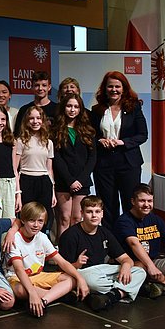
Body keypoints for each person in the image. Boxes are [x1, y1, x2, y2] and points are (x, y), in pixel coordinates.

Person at [59, 195, 146, 312]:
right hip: (83, 272)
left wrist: (125, 266)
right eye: (89, 212)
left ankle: (111, 296)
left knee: (139, 271)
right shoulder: (70, 235)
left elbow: (126, 258)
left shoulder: (105, 232)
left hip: (103, 271)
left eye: (97, 212)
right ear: (82, 213)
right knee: (94, 282)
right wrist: (77, 264)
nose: (94, 215)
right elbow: (63, 269)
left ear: (102, 214)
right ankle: (126, 290)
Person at [5, 201, 89, 318]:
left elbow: (62, 262)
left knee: (72, 279)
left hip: (38, 275)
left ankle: (44, 301)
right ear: (23, 220)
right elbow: (19, 269)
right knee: (20, 290)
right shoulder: (15, 239)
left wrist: (81, 279)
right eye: (31, 220)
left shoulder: (42, 237)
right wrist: (32, 292)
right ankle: (58, 295)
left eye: (40, 221)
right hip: (17, 278)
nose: (36, 225)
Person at [91, 71, 148, 229]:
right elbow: (90, 135)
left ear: (124, 89)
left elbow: (143, 135)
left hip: (128, 162)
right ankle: (111, 243)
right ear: (105, 88)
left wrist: (122, 142)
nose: (114, 89)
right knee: (108, 205)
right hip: (103, 164)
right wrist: (100, 140)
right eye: (110, 86)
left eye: (117, 86)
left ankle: (131, 239)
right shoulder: (97, 110)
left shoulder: (134, 107)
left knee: (130, 202)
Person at [52, 93, 96, 238]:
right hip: (63, 181)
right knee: (64, 218)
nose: (72, 109)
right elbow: (56, 158)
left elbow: (92, 158)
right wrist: (70, 180)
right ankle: (63, 253)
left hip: (81, 182)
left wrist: (80, 180)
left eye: (76, 107)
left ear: (80, 109)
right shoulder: (56, 130)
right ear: (64, 107)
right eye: (69, 106)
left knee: (77, 218)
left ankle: (75, 250)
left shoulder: (88, 130)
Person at [14, 106, 56, 236]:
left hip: (44, 182)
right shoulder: (20, 141)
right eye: (31, 118)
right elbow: (15, 169)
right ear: (26, 121)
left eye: (38, 118)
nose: (35, 121)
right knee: (27, 217)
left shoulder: (48, 142)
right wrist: (18, 192)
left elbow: (49, 169)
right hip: (26, 180)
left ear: (43, 120)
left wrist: (53, 192)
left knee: (42, 218)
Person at [14, 71, 57, 136]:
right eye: (37, 85)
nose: (40, 88)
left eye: (44, 85)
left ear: (49, 87)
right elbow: (18, 134)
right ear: (32, 87)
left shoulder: (57, 109)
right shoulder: (24, 110)